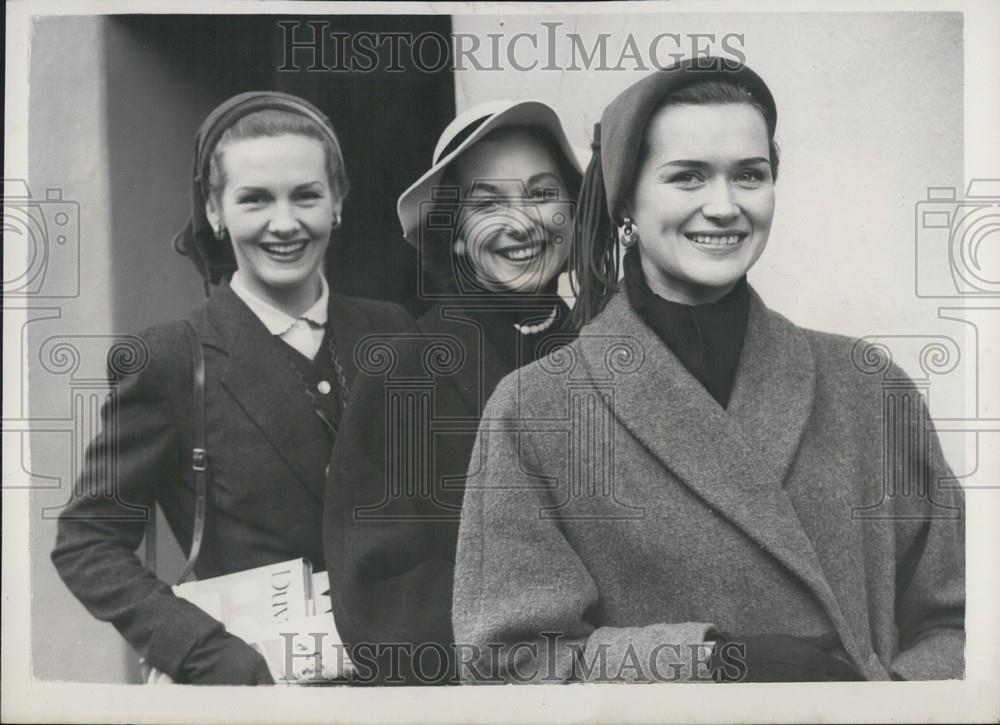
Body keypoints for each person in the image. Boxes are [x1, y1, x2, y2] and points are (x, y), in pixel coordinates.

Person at [451, 58, 965, 684]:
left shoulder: (866, 383)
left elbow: (958, 619)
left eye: (750, 175)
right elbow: (512, 659)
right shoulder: (535, 409)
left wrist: (886, 702)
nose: (723, 206)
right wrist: (714, 662)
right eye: (687, 177)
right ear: (626, 201)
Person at [51, 91, 414, 685]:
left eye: (306, 195)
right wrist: (201, 651)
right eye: (254, 199)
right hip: (261, 693)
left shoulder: (391, 330)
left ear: (338, 201)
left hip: (405, 687)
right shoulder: (170, 358)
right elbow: (86, 538)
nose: (285, 223)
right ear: (216, 213)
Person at [323, 101, 583, 684]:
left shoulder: (606, 351)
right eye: (488, 203)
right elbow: (381, 593)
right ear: (455, 235)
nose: (523, 223)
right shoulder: (405, 372)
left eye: (543, 193)